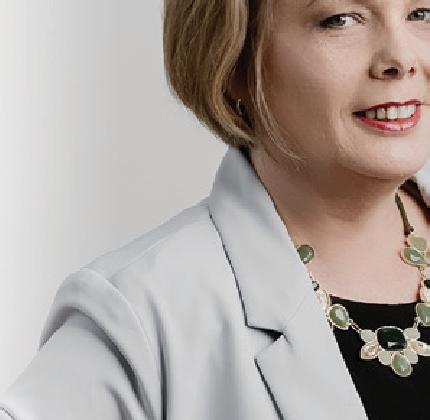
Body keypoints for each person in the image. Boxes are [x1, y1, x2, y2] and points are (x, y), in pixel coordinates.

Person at [1, 0, 430, 419]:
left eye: (421, 13)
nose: (401, 59)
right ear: (234, 61)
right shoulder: (139, 314)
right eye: (339, 20)